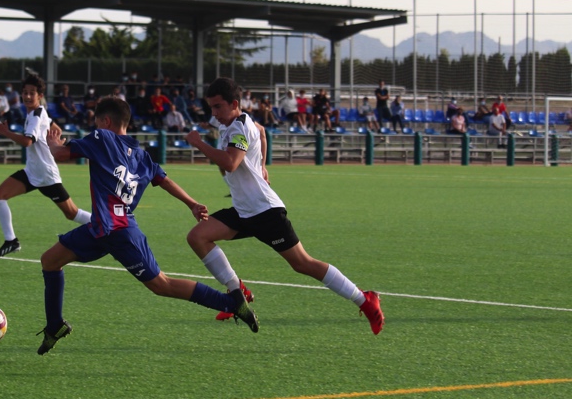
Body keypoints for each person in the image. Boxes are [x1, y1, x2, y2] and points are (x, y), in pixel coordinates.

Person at [35, 96, 258, 355]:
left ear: (105, 121)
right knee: (50, 260)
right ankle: (55, 326)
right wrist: (192, 203)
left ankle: (231, 303)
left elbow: (61, 154)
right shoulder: (141, 156)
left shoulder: (101, 138)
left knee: (162, 285)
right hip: (101, 228)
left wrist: (52, 143)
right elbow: (164, 180)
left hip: (119, 232)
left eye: (96, 121)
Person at [183, 77, 384, 335]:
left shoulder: (238, 128)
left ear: (234, 104)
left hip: (265, 212)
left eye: (218, 107)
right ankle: (237, 293)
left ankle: (365, 300)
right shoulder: (235, 123)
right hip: (244, 210)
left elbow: (231, 163)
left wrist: (200, 144)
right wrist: (263, 166)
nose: (214, 113)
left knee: (303, 263)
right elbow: (263, 132)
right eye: (211, 107)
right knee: (198, 237)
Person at [0, 69, 91, 259]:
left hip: (45, 175)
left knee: (72, 213)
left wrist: (5, 132)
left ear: (39, 95)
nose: (27, 96)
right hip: (32, 172)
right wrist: (56, 140)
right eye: (25, 92)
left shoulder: (35, 115)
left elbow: (28, 141)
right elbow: (55, 127)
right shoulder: (37, 112)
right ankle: (11, 241)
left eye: (31, 93)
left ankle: (109, 228)